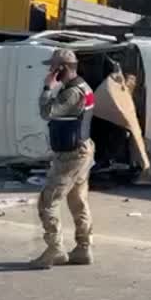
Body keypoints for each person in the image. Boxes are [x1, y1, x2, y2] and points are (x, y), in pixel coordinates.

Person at [30, 49, 96, 269]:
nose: (50, 70)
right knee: (77, 200)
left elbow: (47, 112)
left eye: (53, 67)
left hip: (71, 154)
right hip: (81, 149)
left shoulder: (71, 92)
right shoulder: (83, 87)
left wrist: (48, 87)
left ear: (62, 68)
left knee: (48, 201)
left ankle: (55, 249)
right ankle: (83, 248)